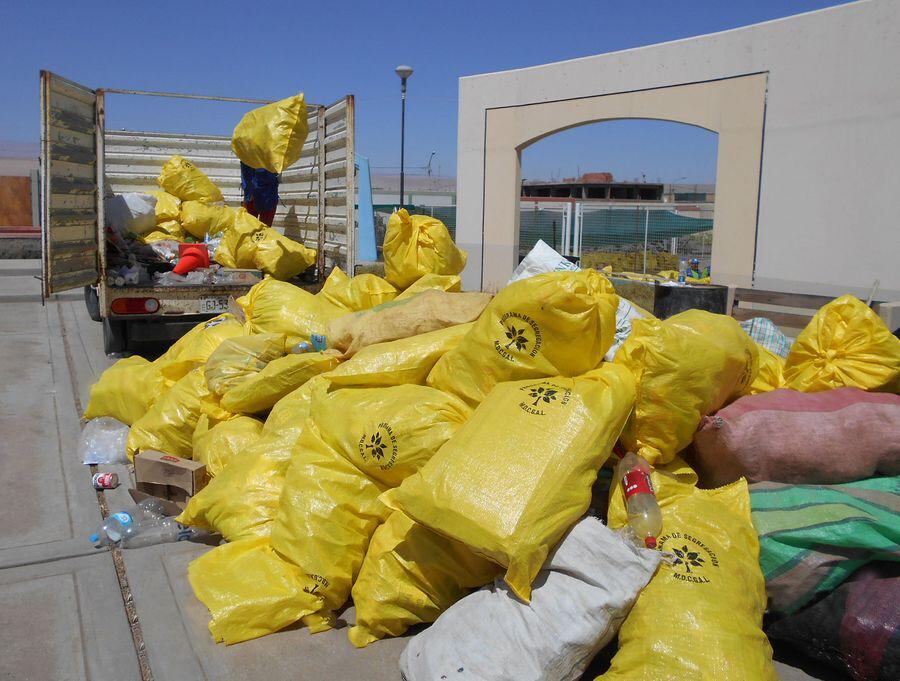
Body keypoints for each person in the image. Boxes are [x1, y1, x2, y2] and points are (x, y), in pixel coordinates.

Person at [240, 162, 280, 227]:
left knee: (254, 229)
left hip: (264, 194)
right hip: (260, 194)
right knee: (259, 229)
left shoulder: (246, 154)